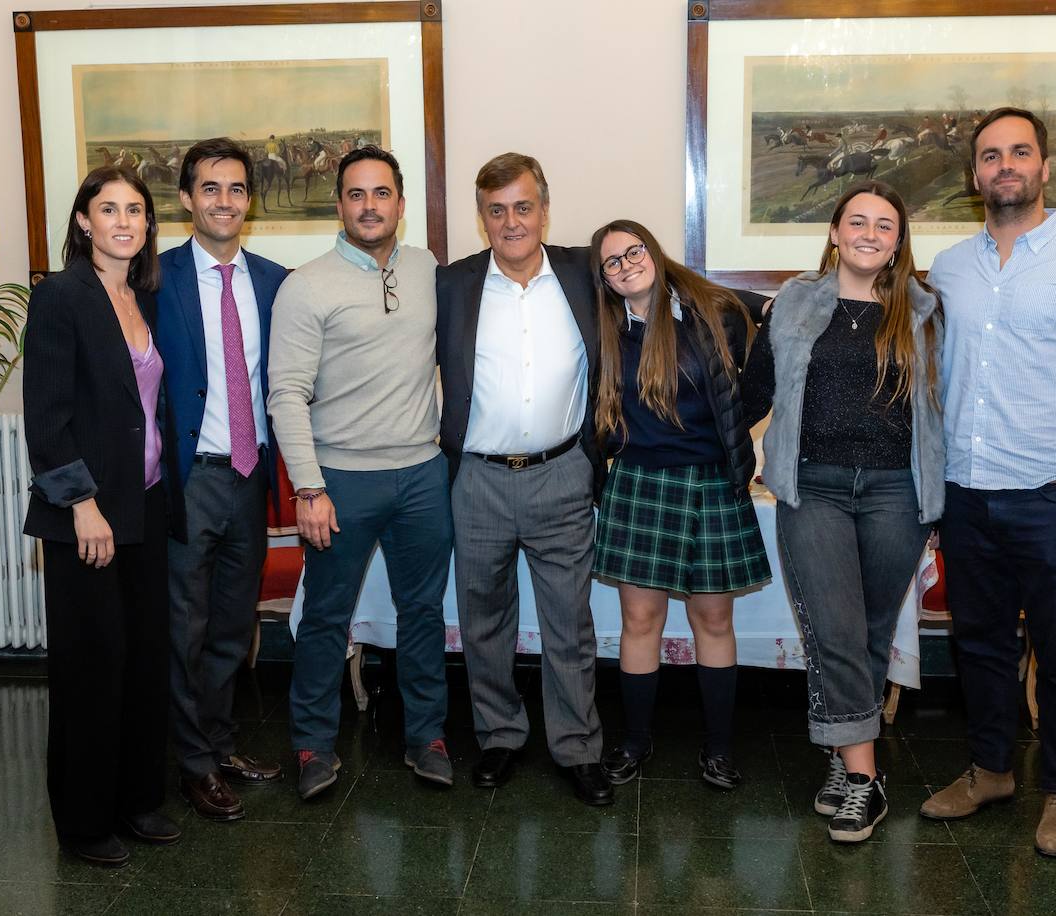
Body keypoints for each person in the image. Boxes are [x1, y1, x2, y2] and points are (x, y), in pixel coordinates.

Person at [919, 108, 1056, 857]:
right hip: (968, 492)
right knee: (978, 646)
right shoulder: (949, 268)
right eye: (990, 155)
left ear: (1045, 167)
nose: (1004, 165)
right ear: (975, 174)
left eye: (1019, 152)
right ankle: (990, 771)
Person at [742, 181, 945, 842]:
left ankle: (839, 755)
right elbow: (754, 388)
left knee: (869, 633)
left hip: (897, 491)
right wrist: (710, 444)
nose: (868, 233)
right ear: (834, 232)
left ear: (897, 241)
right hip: (814, 488)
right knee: (833, 625)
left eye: (884, 225)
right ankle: (866, 778)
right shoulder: (795, 303)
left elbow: (952, 400)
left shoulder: (926, 311)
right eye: (856, 221)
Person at [267, 146, 453, 800]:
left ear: (401, 203)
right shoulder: (307, 285)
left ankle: (426, 737)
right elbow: (286, 393)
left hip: (424, 477)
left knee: (424, 613)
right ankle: (314, 746)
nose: (369, 205)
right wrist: (308, 488)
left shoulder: (430, 269)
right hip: (340, 482)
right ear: (339, 204)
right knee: (326, 617)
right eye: (355, 194)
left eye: (381, 194)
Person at [435, 153, 611, 806]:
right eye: (497, 209)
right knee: (484, 622)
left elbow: (659, 292)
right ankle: (500, 736)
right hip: (477, 479)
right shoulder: (452, 285)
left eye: (523, 206)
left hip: (562, 473)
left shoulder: (581, 273)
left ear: (545, 207)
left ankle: (577, 748)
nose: (512, 221)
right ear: (482, 218)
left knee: (570, 624)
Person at [23, 166, 177, 867]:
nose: (123, 220)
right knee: (92, 666)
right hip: (88, 517)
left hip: (144, 506)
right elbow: (46, 418)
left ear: (147, 225)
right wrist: (81, 504)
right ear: (83, 220)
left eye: (136, 210)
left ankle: (135, 800)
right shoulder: (61, 296)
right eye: (108, 208)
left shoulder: (142, 295)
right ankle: (84, 824)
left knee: (143, 661)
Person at [588, 219, 771, 790]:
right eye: (612, 262)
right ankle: (635, 742)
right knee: (639, 620)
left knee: (713, 619)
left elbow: (765, 348)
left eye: (633, 251)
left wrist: (737, 428)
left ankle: (718, 749)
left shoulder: (711, 309)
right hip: (641, 483)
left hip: (714, 482)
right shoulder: (606, 330)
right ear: (604, 278)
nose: (625, 265)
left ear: (654, 251)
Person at [156, 137, 289, 821]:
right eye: (211, 188)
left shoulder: (274, 280)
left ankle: (219, 743)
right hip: (187, 480)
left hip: (249, 477)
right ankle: (193, 764)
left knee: (233, 627)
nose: (225, 201)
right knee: (186, 626)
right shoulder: (155, 278)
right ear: (186, 199)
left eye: (237, 189)